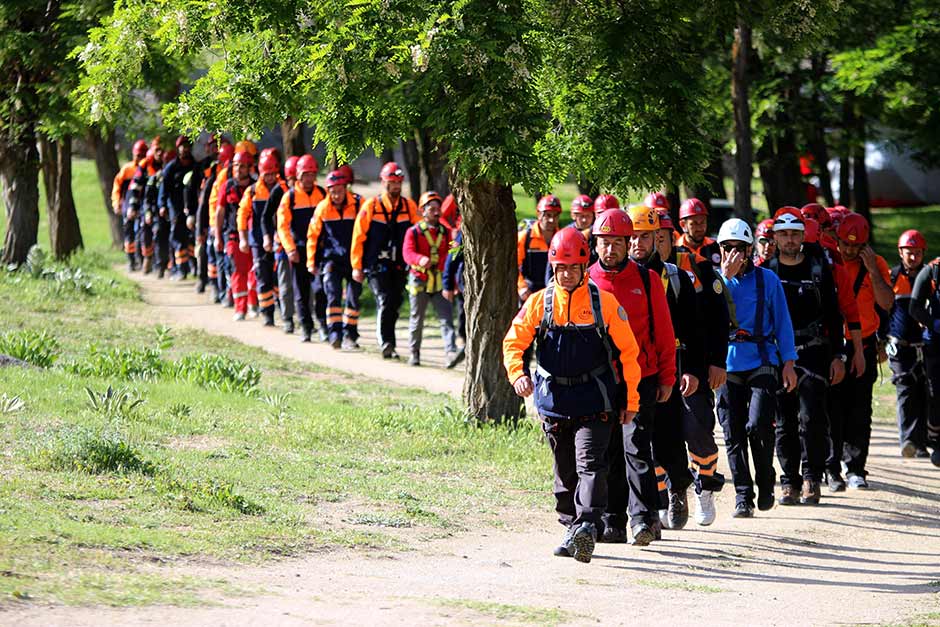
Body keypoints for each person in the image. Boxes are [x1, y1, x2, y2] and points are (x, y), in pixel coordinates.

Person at [503, 228, 642, 563]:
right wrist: (518, 375)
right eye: (561, 268)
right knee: (565, 470)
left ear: (584, 267)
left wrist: (632, 402)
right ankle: (571, 527)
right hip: (554, 403)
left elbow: (629, 354)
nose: (566, 274)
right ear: (553, 268)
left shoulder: (604, 304)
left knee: (590, 464)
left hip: (595, 402)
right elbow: (513, 342)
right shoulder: (539, 303)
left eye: (573, 268)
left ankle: (587, 526)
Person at [627, 206, 725, 530]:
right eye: (634, 237)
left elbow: (698, 331)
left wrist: (695, 370)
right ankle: (650, 510)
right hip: (638, 370)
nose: (638, 244)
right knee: (642, 440)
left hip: (678, 367)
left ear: (662, 238)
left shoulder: (677, 277)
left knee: (683, 434)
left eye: (647, 237)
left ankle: (684, 487)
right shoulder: (619, 277)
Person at [589, 209, 676, 545]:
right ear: (595, 244)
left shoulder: (647, 279)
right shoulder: (587, 279)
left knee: (636, 446)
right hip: (601, 380)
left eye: (617, 243)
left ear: (628, 244)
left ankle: (643, 519)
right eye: (604, 243)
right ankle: (613, 521)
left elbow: (665, 333)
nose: (610, 250)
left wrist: (668, 376)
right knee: (608, 449)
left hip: (642, 377)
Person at [715, 218, 798, 517]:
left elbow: (783, 323)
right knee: (732, 430)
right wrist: (724, 279)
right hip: (726, 363)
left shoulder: (768, 280)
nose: (734, 253)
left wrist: (788, 363)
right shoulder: (715, 281)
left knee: (758, 424)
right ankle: (742, 495)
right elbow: (709, 322)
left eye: (739, 248)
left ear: (750, 249)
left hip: (762, 358)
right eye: (727, 247)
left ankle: (766, 480)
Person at [764, 208, 846, 506]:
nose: (789, 239)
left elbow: (834, 316)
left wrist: (839, 355)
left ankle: (813, 476)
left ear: (803, 236)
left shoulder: (818, 269)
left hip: (813, 352)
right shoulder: (767, 270)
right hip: (777, 355)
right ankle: (789, 482)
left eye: (794, 234)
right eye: (783, 234)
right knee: (784, 421)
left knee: (812, 418)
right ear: (774, 238)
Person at [654, 208, 730, 525]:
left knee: (697, 430)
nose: (655, 243)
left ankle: (705, 486)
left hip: (691, 364)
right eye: (648, 237)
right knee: (654, 436)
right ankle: (665, 497)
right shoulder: (633, 276)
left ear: (674, 238)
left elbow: (716, 320)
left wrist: (715, 363)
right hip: (654, 367)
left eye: (661, 237)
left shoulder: (695, 268)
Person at [829, 213, 892, 489]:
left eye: (856, 245)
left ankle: (856, 468)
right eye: (845, 243)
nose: (850, 250)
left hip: (864, 344)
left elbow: (887, 303)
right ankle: (830, 467)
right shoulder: (830, 261)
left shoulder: (875, 264)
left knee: (859, 409)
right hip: (835, 345)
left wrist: (873, 271)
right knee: (832, 407)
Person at [350, 162, 419, 359]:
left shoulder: (409, 207)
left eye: (398, 182)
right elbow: (358, 237)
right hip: (376, 265)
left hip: (399, 265)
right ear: (383, 182)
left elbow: (418, 233)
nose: (395, 186)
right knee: (385, 299)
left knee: (395, 302)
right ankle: (387, 343)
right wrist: (357, 266)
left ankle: (389, 342)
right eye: (392, 182)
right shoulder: (371, 206)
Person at [306, 169, 363, 349]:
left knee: (353, 299)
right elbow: (313, 236)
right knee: (333, 297)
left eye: (340, 191)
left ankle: (351, 336)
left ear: (346, 188)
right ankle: (335, 334)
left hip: (355, 260)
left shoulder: (359, 204)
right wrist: (311, 262)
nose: (336, 195)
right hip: (332, 261)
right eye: (333, 191)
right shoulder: (323, 208)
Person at [402, 191, 458, 366]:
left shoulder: (446, 232)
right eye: (431, 208)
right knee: (417, 318)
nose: (435, 212)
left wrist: (449, 276)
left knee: (446, 317)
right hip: (419, 279)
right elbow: (407, 253)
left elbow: (452, 253)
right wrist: (420, 259)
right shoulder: (414, 232)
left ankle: (451, 352)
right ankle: (414, 352)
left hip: (440, 280)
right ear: (422, 211)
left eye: (437, 208)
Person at [887, 230, 930, 458]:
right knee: (905, 391)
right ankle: (908, 441)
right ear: (900, 252)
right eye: (908, 252)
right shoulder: (892, 277)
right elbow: (882, 309)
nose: (912, 257)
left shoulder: (930, 278)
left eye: (917, 253)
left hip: (925, 346)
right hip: (899, 346)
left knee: (925, 391)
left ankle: (921, 443)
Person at [277, 154, 327, 342]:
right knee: (301, 292)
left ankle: (323, 325)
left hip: (319, 251)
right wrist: (290, 249)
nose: (308, 179)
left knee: (320, 289)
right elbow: (282, 226)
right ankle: (306, 327)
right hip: (298, 251)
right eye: (305, 174)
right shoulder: (289, 198)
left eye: (312, 174)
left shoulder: (322, 194)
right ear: (298, 175)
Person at [238, 150, 287, 326]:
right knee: (262, 276)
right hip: (258, 243)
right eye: (267, 174)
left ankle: (284, 311)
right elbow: (242, 216)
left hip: (280, 241)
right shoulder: (252, 192)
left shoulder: (283, 189)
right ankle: (267, 314)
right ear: (260, 172)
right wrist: (243, 239)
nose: (270, 178)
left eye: (273, 174)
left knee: (278, 277)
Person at [216, 150, 258, 321]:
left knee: (254, 272)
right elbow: (220, 212)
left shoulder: (256, 187)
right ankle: (240, 308)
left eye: (242, 166)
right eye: (236, 166)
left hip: (254, 237)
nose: (238, 169)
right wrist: (218, 237)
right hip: (233, 236)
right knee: (238, 272)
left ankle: (253, 304)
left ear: (249, 168)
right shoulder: (227, 186)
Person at [909, 256, 940, 468]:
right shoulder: (932, 270)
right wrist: (935, 324)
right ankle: (937, 442)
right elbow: (914, 307)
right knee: (936, 393)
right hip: (936, 344)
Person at [266, 155, 299, 332]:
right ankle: (287, 318)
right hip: (282, 245)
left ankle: (305, 317)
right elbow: (266, 216)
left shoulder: (311, 192)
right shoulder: (279, 191)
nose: (296, 182)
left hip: (302, 245)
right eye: (293, 178)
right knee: (285, 283)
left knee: (305, 285)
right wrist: (267, 237)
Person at [159, 135, 199, 279]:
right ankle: (181, 269)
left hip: (192, 208)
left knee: (192, 237)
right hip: (175, 208)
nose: (185, 149)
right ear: (178, 148)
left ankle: (195, 267)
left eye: (188, 146)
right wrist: (162, 205)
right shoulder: (171, 168)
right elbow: (163, 190)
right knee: (177, 237)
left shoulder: (195, 166)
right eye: (183, 146)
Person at [112, 139, 148, 270]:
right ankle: (131, 261)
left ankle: (142, 259)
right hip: (128, 206)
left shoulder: (148, 169)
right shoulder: (127, 169)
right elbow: (117, 187)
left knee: (142, 233)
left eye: (142, 155)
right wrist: (116, 203)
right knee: (129, 234)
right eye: (137, 155)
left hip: (143, 206)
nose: (139, 158)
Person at [518, 195, 561, 303]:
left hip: (554, 292)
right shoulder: (525, 237)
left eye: (555, 216)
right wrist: (522, 287)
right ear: (539, 214)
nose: (552, 219)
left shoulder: (561, 238)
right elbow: (515, 266)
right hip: (529, 293)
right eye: (548, 215)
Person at [676, 198, 721, 266]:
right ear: (683, 225)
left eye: (702, 222)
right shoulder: (675, 250)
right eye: (694, 223)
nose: (699, 228)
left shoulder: (717, 247)